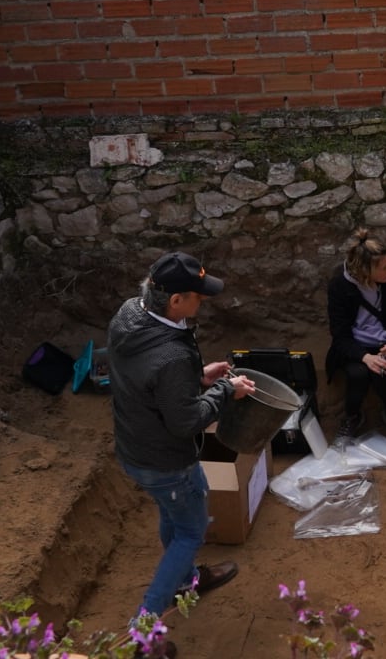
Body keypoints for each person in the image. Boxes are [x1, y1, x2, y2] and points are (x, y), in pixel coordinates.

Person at [108, 251, 254, 645]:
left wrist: (196, 376)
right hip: (168, 461)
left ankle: (187, 578)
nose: (201, 303)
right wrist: (227, 389)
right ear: (175, 301)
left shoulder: (128, 315)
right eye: (197, 297)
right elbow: (188, 421)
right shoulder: (171, 354)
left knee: (173, 512)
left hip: (135, 449)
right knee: (190, 530)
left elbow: (148, 380)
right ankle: (143, 631)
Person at [326, 229, 386, 445]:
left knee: (383, 372)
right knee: (358, 374)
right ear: (366, 271)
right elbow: (339, 335)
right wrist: (364, 357)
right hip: (354, 346)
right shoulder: (340, 286)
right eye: (384, 267)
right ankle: (352, 417)